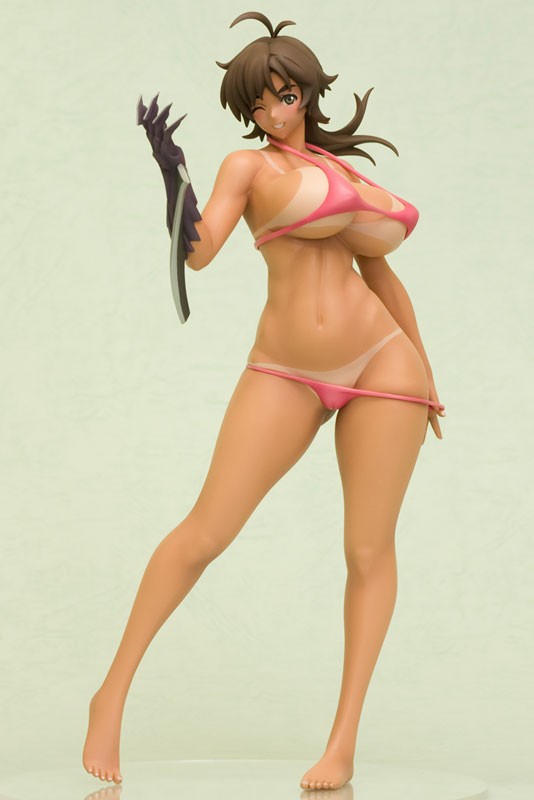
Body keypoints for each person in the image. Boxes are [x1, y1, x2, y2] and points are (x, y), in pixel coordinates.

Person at [82, 10, 445, 791]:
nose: (275, 112)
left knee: (369, 551)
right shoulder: (248, 169)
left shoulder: (339, 172)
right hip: (283, 369)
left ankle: (342, 742)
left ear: (306, 92)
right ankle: (110, 695)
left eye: (285, 95)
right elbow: (201, 253)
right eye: (260, 102)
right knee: (205, 532)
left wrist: (428, 373)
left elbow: (379, 272)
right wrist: (173, 178)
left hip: (385, 366)